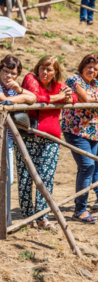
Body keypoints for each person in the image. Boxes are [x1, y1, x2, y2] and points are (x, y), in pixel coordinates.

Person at [19, 56, 77, 230]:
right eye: (43, 68)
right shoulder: (31, 78)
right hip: (29, 135)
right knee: (25, 177)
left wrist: (60, 97)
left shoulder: (58, 85)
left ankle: (42, 216)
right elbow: (36, 97)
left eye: (49, 69)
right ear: (38, 68)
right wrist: (58, 97)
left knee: (47, 177)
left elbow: (72, 97)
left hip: (51, 138)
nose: (45, 72)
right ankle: (28, 216)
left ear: (56, 72)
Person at [0, 55, 36, 212]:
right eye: (5, 71)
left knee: (7, 179)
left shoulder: (12, 89)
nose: (8, 76)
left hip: (7, 139)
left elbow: (33, 98)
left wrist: (19, 90)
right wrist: (22, 96)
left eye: (13, 73)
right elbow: (0, 101)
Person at [62, 54, 98, 223]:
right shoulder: (74, 79)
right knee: (87, 166)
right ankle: (79, 210)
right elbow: (85, 99)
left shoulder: (95, 83)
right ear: (82, 66)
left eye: (96, 69)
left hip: (94, 132)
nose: (92, 70)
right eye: (89, 66)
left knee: (96, 166)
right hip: (76, 131)